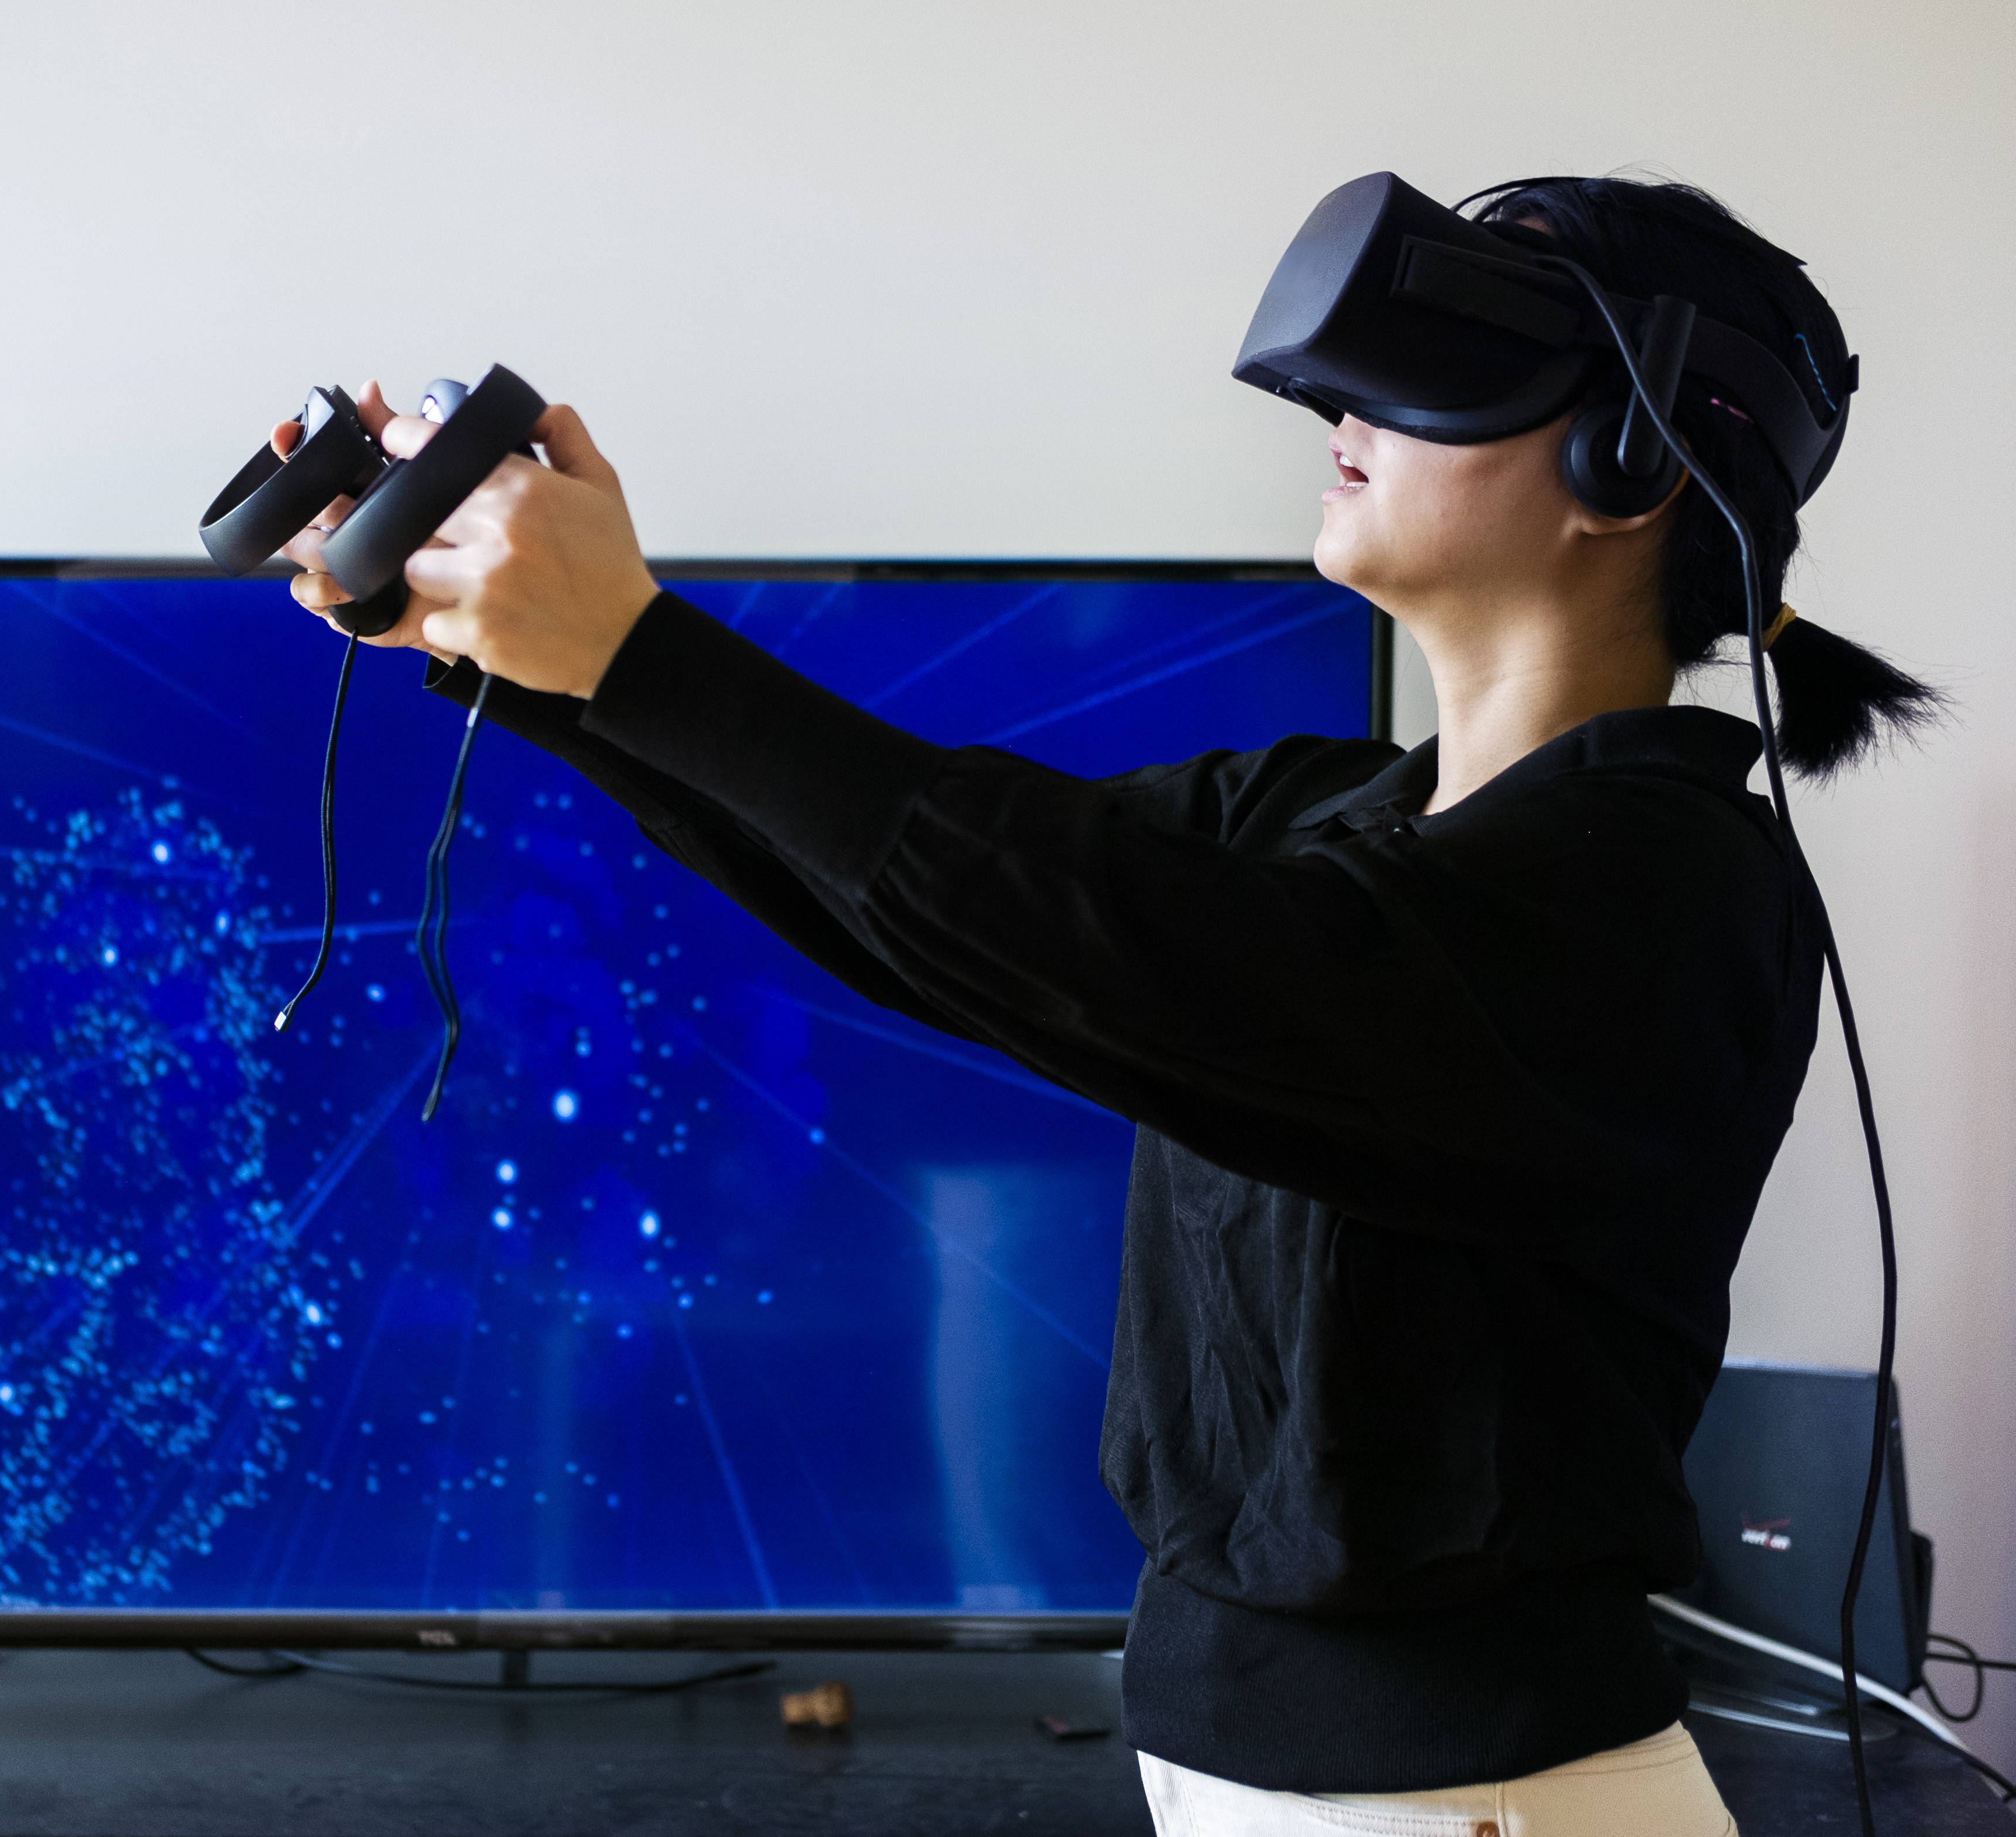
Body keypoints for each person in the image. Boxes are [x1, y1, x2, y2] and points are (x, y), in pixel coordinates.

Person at [268, 175, 1937, 1834]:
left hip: (1488, 1800)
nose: (1346, 413)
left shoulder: (1663, 888)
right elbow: (924, 911)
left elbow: (1114, 942)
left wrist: (636, 650)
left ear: (1635, 464)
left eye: (1446, 369)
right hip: (1253, 1779)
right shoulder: (1322, 814)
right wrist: (518, 652)